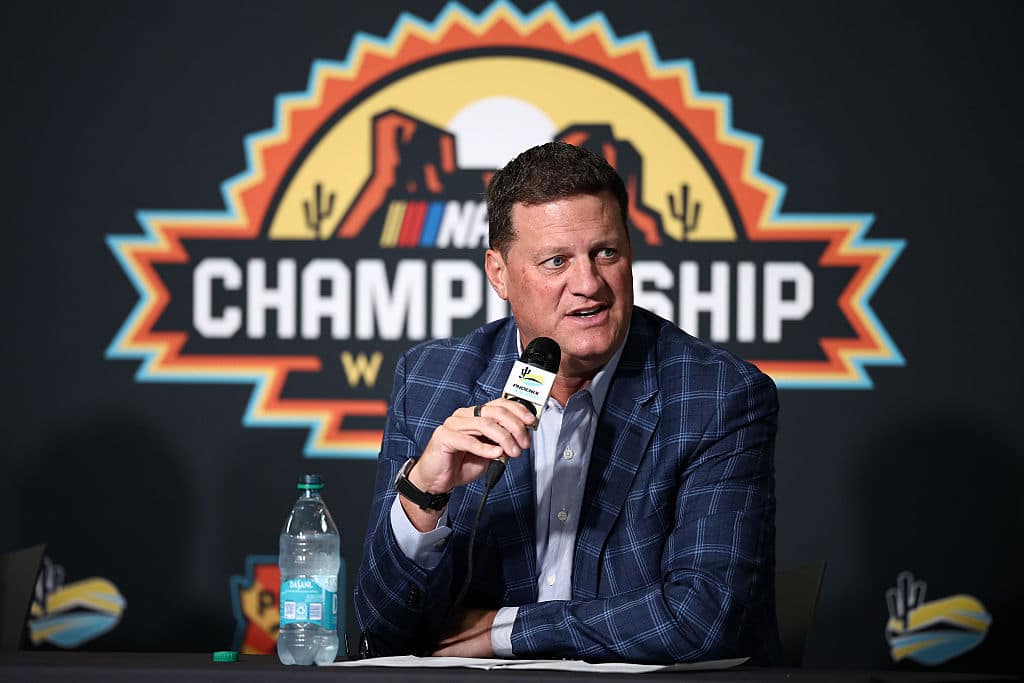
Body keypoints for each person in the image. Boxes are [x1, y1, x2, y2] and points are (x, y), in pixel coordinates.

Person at [354, 141, 781, 664]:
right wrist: (424, 493)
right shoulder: (431, 382)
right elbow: (382, 629)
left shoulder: (717, 394)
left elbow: (705, 616)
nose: (588, 284)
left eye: (606, 253)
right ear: (499, 274)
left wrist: (508, 630)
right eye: (556, 261)